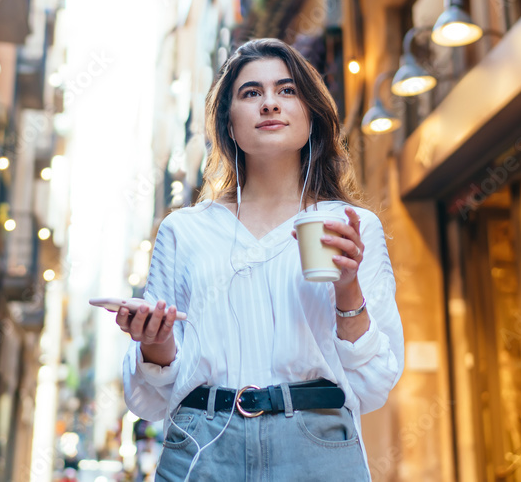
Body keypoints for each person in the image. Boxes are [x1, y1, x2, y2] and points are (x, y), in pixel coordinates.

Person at [118, 39, 404, 480]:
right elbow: (150, 401)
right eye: (251, 93)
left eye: (287, 91)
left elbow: (374, 383)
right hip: (201, 444)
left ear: (310, 117)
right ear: (229, 124)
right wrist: (154, 342)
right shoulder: (185, 231)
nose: (270, 103)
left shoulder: (351, 226)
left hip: (316, 445)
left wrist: (348, 290)